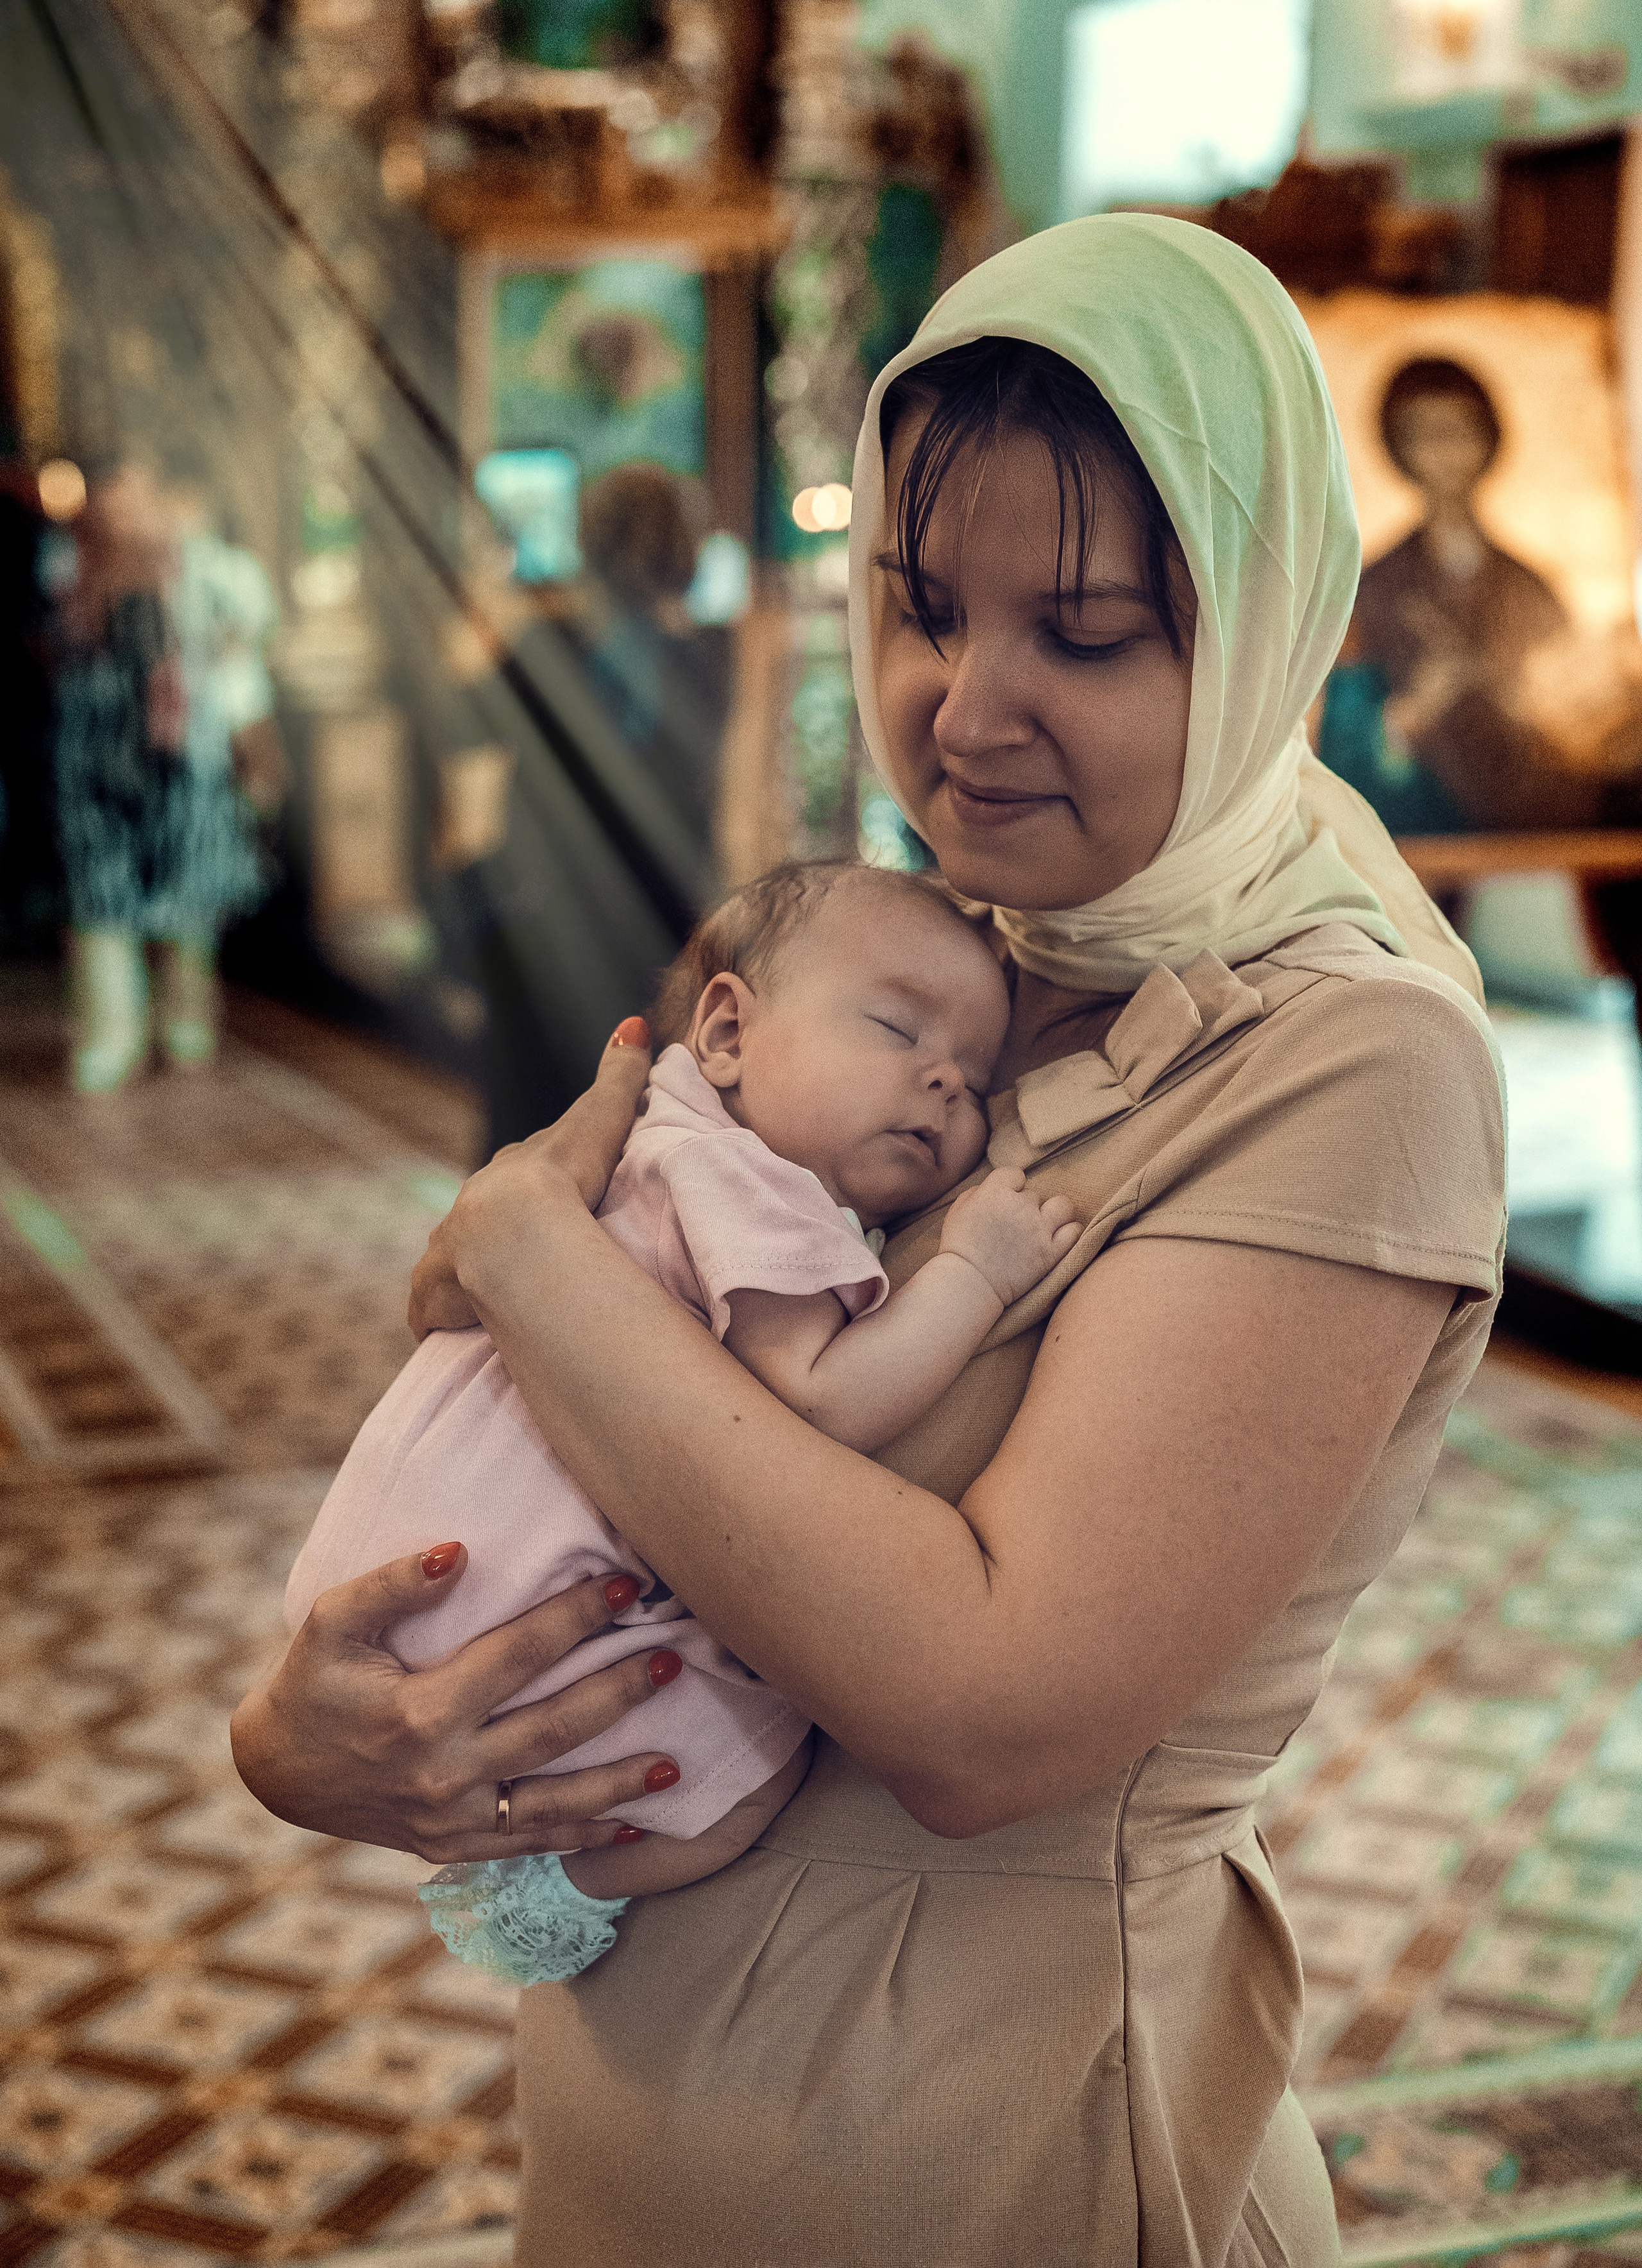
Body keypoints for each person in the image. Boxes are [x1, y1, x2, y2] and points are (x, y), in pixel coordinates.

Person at [232, 217, 1507, 2265]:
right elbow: (502, 1328)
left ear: (1264, 625)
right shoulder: (945, 936)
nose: (962, 712)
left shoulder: (1348, 1056)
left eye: (1082, 635)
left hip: (993, 2150)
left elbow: (982, 1709)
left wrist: (515, 1242)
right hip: (654, 2127)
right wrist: (322, 1726)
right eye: (920, 610)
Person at [284, 858, 1078, 1984]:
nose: (947, 1082)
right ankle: (544, 1896)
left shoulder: (652, 1138)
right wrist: (977, 1276)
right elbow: (819, 1399)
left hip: (397, 1556)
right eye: (898, 1028)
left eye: (975, 1073)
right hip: (513, 1581)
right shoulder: (755, 1184)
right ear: (725, 1033)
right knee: (751, 1776)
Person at [49, 459, 273, 1092]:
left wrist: (247, 745)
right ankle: (113, 1037)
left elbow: (245, 642)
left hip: (182, 762)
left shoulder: (204, 570)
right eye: (113, 500)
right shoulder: (70, 571)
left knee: (188, 900)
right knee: (102, 904)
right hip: (93, 763)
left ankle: (186, 1026)